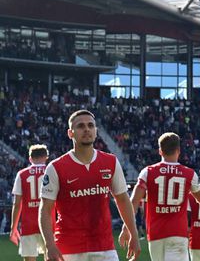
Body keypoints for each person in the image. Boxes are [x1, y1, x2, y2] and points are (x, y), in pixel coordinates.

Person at [39, 109, 140, 261]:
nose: (86, 129)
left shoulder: (111, 162)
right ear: (70, 133)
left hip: (104, 248)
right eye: (80, 126)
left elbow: (123, 199)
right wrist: (49, 244)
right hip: (68, 249)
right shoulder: (56, 167)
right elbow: (45, 210)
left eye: (90, 125)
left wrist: (134, 234)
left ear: (96, 131)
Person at [119, 133, 200, 261]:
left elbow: (134, 200)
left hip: (155, 234)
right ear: (178, 150)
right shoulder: (189, 174)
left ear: (160, 151)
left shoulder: (147, 172)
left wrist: (126, 227)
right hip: (177, 233)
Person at [11, 144, 50, 261]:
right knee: (51, 257)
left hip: (28, 225)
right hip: (49, 223)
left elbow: (17, 204)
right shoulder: (52, 171)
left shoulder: (22, 174)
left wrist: (13, 228)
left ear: (30, 158)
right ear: (46, 157)